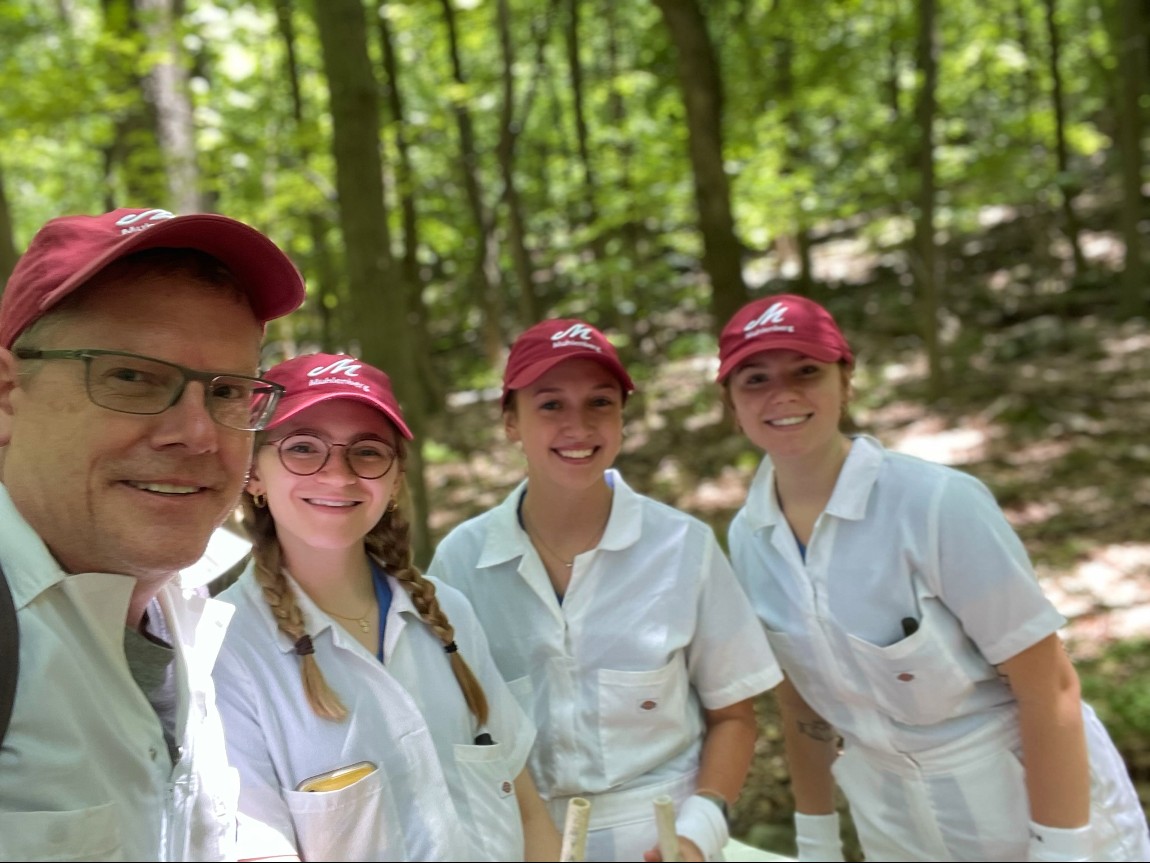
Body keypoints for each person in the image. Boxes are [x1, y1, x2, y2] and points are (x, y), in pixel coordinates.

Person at [717, 293, 1150, 862]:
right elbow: (802, 707)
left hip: (1036, 809)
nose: (783, 393)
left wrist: (1060, 851)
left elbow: (1051, 688)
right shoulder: (749, 539)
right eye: (755, 379)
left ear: (845, 382)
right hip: (894, 826)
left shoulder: (936, 504)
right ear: (731, 403)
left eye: (807, 371)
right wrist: (817, 840)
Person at [0, 206, 306, 861]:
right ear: (6, 394)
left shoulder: (183, 599)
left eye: (227, 392)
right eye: (132, 376)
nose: (197, 434)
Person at [427, 319, 783, 862]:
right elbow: (453, 730)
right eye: (551, 404)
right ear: (510, 421)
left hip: (664, 834)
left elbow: (733, 715)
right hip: (520, 838)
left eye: (600, 402)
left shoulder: (682, 546)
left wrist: (700, 831)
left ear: (621, 418)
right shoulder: (461, 561)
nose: (578, 425)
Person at [211, 351, 560, 862]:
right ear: (252, 472)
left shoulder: (448, 615)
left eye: (368, 452)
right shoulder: (225, 651)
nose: (338, 475)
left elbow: (528, 812)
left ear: (395, 479)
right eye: (302, 448)